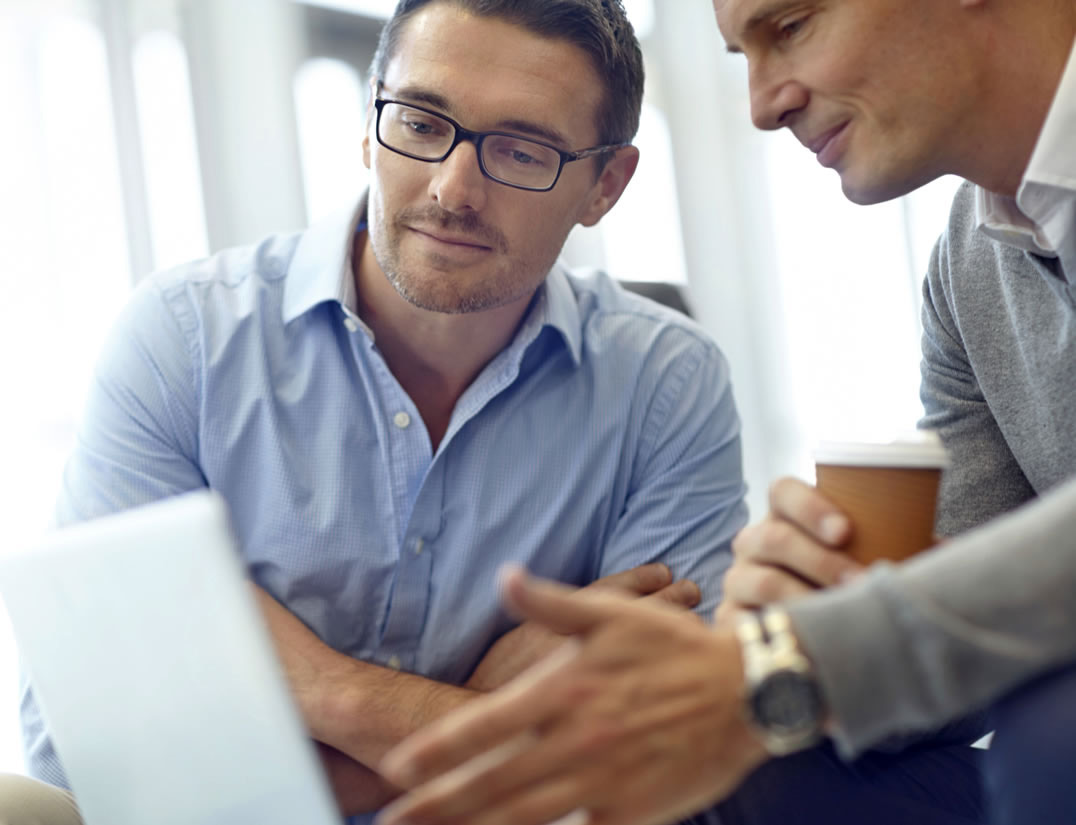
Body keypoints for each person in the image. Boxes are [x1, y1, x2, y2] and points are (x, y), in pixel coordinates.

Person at [0, 2, 750, 824]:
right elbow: (84, 757)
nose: (453, 189)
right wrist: (483, 713)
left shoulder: (667, 385)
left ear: (606, 183)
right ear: (368, 122)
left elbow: (657, 741)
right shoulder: (185, 339)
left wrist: (299, 681)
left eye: (521, 150)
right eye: (419, 122)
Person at [375, 1, 1076, 824]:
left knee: (1050, 736)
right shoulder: (969, 263)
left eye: (791, 26)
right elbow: (958, 660)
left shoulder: (664, 371)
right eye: (741, 52)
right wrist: (802, 609)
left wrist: (802, 655)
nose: (761, 105)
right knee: (718, 775)